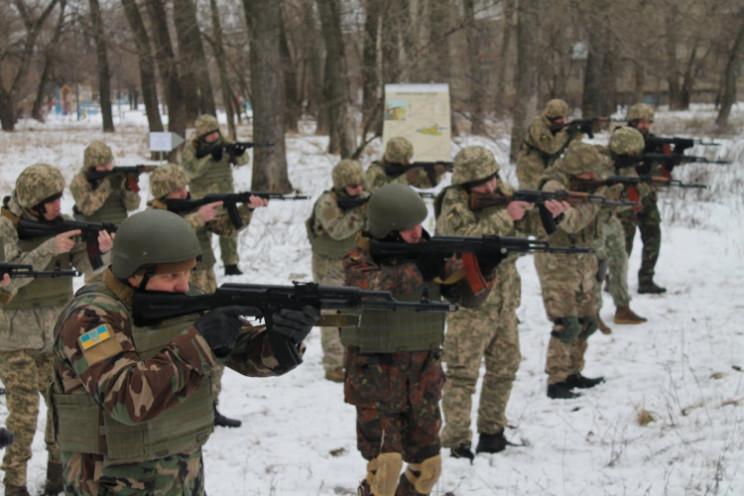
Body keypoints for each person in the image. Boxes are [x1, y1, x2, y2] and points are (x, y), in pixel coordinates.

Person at [50, 209, 318, 495]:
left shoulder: (180, 297)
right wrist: (201, 340)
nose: (184, 285)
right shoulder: (89, 319)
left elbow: (244, 352)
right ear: (133, 272)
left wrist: (283, 337)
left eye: (188, 271)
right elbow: (126, 399)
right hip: (110, 480)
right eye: (172, 275)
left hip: (181, 473)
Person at [342, 183, 497, 496]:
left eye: (419, 225)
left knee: (427, 470)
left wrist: (486, 267)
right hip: (376, 380)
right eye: (407, 229)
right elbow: (371, 285)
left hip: (423, 380)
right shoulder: (358, 258)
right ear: (386, 229)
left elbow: (470, 298)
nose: (417, 233)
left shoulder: (432, 258)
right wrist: (421, 268)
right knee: (385, 469)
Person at [434, 146, 566, 460]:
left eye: (493, 178)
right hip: (471, 302)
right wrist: (505, 217)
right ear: (466, 182)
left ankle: (492, 432)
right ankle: (456, 441)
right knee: (462, 373)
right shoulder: (452, 202)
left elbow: (522, 231)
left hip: (505, 301)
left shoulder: (503, 192)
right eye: (482, 184)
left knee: (505, 367)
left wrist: (548, 216)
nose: (491, 187)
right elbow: (462, 240)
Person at [0, 163, 114, 496]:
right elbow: (11, 280)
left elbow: (83, 264)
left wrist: (102, 251)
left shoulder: (60, 225)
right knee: (23, 417)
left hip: (55, 336)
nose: (56, 207)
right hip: (13, 340)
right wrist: (50, 248)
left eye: (58, 198)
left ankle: (57, 474)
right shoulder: (5, 227)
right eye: (48, 201)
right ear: (31, 201)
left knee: (61, 408)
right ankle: (14, 484)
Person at [147, 163, 268, 427]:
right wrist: (196, 218)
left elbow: (226, 229)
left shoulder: (192, 208)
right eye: (177, 189)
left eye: (184, 186)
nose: (184, 192)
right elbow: (162, 238)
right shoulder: (152, 217)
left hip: (206, 285)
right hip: (176, 294)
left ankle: (211, 406)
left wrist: (246, 209)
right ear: (162, 191)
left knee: (218, 345)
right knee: (185, 347)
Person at [533, 142, 607, 399]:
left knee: (588, 320)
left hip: (583, 258)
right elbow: (571, 223)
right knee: (567, 323)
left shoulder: (590, 184)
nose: (594, 178)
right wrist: (567, 212)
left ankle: (574, 371)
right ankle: (556, 380)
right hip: (557, 262)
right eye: (589, 174)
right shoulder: (553, 186)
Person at [306, 159, 369, 382]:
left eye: (361, 184)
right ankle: (333, 364)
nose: (360, 190)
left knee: (353, 311)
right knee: (331, 315)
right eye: (353, 187)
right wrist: (360, 212)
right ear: (341, 186)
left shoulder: (360, 199)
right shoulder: (326, 204)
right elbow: (338, 231)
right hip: (329, 265)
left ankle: (351, 358)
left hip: (353, 262)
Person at [593, 127, 648, 332]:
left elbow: (625, 202)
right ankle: (593, 313)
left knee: (620, 260)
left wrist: (639, 192)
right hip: (594, 220)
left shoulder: (625, 166)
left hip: (611, 218)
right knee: (597, 267)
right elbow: (601, 199)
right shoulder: (599, 163)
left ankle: (622, 307)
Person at [181, 114, 250, 276]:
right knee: (201, 234)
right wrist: (210, 158)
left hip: (225, 195)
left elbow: (244, 160)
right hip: (201, 199)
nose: (215, 135)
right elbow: (191, 172)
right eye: (210, 133)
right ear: (202, 135)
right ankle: (200, 265)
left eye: (216, 131)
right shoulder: (191, 148)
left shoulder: (225, 144)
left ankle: (231, 264)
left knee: (230, 231)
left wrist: (238, 154)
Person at [614, 103, 666, 294]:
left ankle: (646, 279)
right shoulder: (621, 138)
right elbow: (617, 164)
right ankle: (615, 281)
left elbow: (659, 172)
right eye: (641, 122)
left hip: (647, 195)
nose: (645, 126)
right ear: (633, 121)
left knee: (653, 237)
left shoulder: (654, 142)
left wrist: (669, 161)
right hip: (626, 197)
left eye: (647, 122)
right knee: (624, 243)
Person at [516, 98, 584, 189]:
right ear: (551, 117)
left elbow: (570, 145)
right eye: (560, 118)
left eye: (564, 117)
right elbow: (550, 147)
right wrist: (565, 133)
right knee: (530, 198)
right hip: (530, 168)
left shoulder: (555, 127)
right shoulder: (538, 126)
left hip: (547, 167)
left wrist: (578, 132)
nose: (562, 121)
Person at [70, 140, 141, 224]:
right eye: (103, 165)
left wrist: (128, 187)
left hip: (118, 230)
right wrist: (108, 185)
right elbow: (87, 208)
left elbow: (133, 206)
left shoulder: (116, 177)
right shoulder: (80, 181)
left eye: (109, 163)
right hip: (94, 232)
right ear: (91, 166)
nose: (107, 167)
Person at [365, 137, 447, 193]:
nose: (408, 162)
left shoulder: (403, 168)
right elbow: (378, 194)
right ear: (394, 159)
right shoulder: (375, 170)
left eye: (408, 158)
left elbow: (422, 184)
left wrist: (434, 175)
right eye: (404, 160)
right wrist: (405, 179)